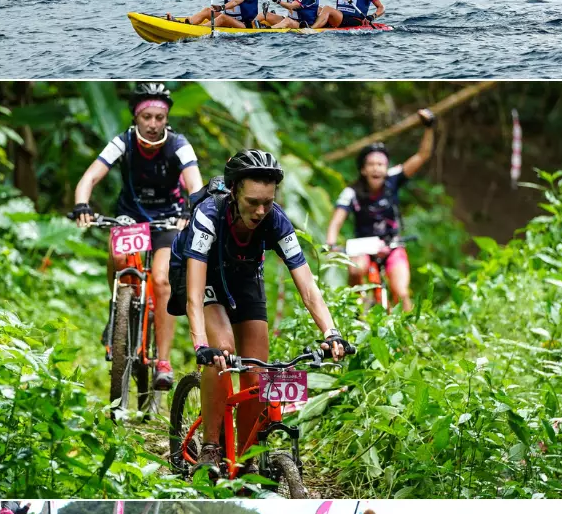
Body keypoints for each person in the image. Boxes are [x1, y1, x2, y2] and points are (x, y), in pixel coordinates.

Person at [171, 149, 352, 386]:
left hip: (243, 275)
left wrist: (331, 332)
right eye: (252, 202)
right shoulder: (209, 215)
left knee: (257, 372)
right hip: (202, 277)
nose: (260, 211)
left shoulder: (276, 220)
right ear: (234, 192)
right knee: (221, 352)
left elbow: (308, 287)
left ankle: (254, 425)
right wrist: (201, 344)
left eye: (267, 202)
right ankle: (213, 425)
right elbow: (194, 295)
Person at [70, 82, 203, 389]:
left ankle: (164, 362)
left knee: (161, 280)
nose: (154, 124)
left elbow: (195, 183)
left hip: (170, 219)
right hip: (130, 216)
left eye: (160, 117)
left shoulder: (178, 144)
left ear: (167, 118)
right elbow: (90, 176)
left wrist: (190, 212)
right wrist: (81, 204)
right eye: (147, 118)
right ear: (136, 117)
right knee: (118, 257)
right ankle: (116, 311)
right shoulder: (123, 141)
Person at [325, 109, 437, 312]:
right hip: (363, 246)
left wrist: (429, 127)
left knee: (401, 292)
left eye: (381, 164)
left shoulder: (393, 180)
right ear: (363, 169)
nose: (376, 168)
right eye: (371, 164)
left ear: (386, 168)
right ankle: (357, 312)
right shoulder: (351, 192)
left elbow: (422, 155)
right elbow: (336, 221)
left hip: (392, 244)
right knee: (356, 269)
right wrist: (331, 244)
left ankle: (409, 334)